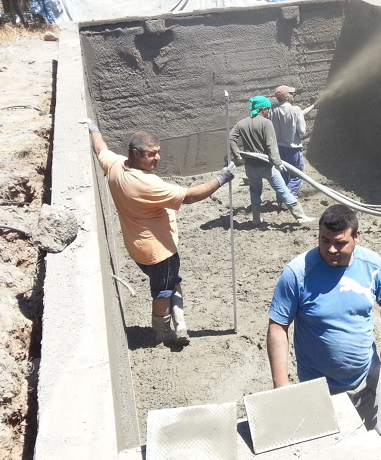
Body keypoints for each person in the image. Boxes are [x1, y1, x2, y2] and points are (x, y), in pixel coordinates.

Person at [80, 119, 235, 345]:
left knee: (172, 281)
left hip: (137, 246)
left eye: (158, 152)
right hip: (158, 250)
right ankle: (163, 332)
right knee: (162, 291)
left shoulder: (115, 164)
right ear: (136, 153)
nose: (158, 158)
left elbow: (100, 148)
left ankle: (180, 323)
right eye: (152, 154)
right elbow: (190, 196)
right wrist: (220, 179)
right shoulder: (145, 184)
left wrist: (93, 129)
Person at [266, 204, 381, 436]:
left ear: (356, 237)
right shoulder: (297, 273)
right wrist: (281, 384)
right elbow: (278, 326)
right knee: (326, 441)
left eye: (340, 242)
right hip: (318, 386)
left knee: (373, 436)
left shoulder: (371, 265)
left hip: (366, 376)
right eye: (324, 240)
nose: (331, 249)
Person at [229, 95, 313, 226]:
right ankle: (300, 217)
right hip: (266, 166)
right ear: (262, 109)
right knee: (283, 190)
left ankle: (256, 219)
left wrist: (238, 156)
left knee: (255, 191)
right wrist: (278, 162)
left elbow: (231, 138)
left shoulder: (242, 123)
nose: (269, 111)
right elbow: (271, 144)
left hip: (250, 166)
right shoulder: (266, 123)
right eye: (267, 109)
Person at [269, 85, 307, 203]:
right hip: (292, 149)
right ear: (286, 97)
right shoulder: (296, 110)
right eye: (291, 93)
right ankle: (288, 198)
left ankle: (280, 199)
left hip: (278, 149)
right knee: (298, 175)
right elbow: (302, 130)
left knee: (282, 175)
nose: (293, 95)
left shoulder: (271, 110)